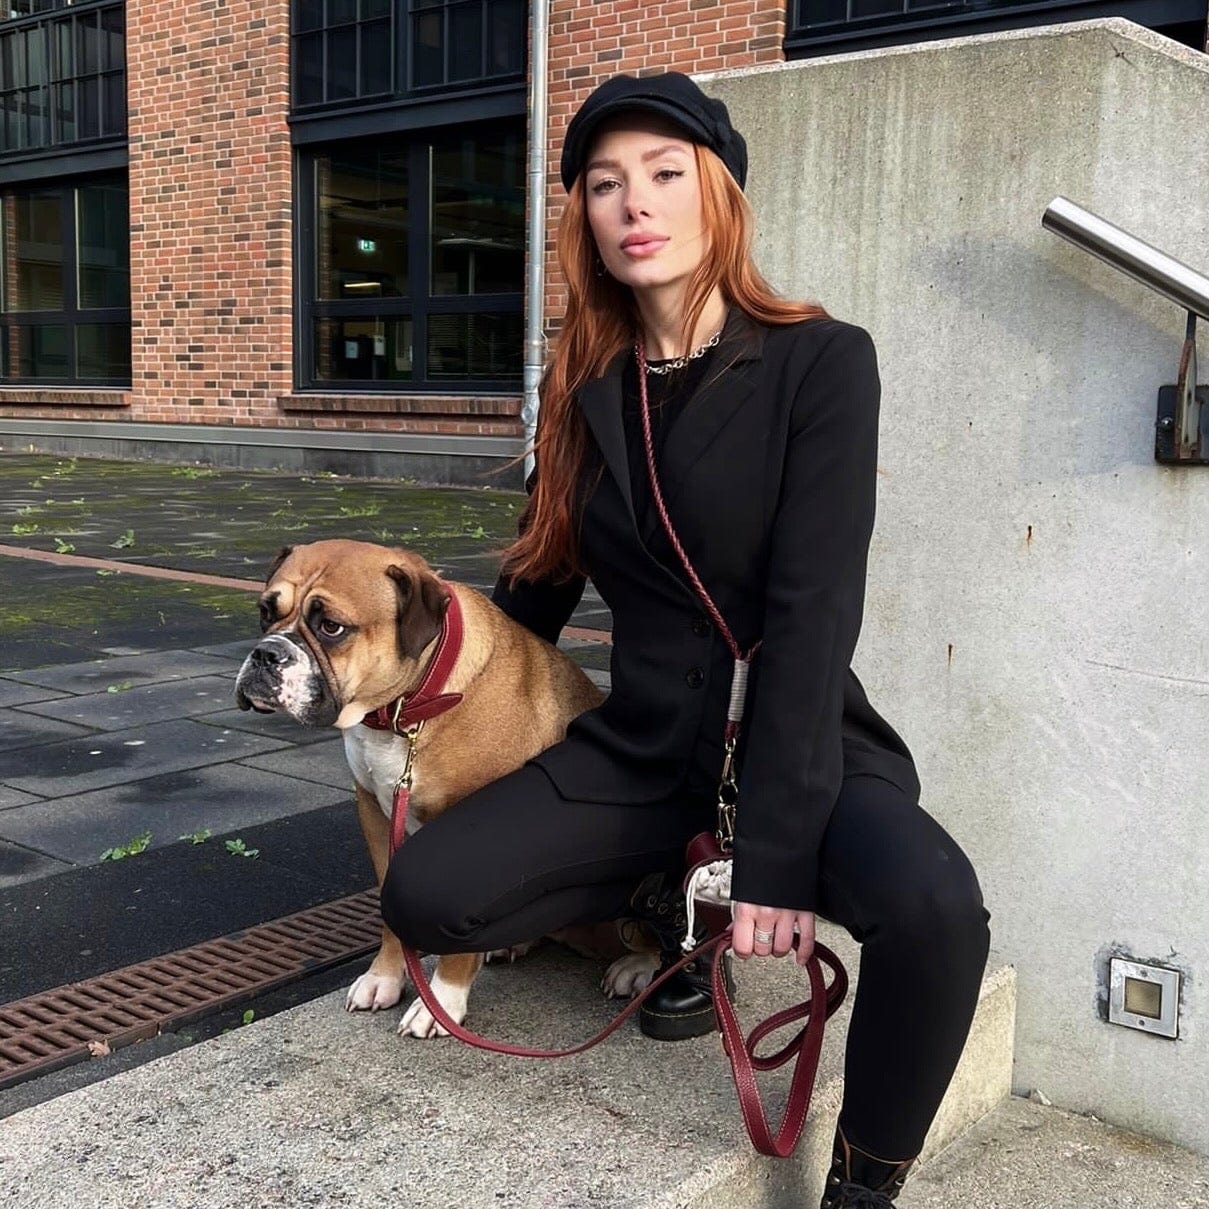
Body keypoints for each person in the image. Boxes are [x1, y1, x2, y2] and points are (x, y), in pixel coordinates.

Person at [381, 71, 991, 1208]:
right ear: (586, 221)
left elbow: (815, 616)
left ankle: (864, 1187)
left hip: (793, 744)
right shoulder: (583, 389)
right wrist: (420, 683)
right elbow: (536, 585)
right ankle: (673, 908)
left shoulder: (820, 361)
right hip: (646, 749)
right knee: (427, 891)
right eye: (605, 185)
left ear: (718, 197)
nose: (634, 204)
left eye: (665, 175)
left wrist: (771, 853)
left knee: (935, 908)